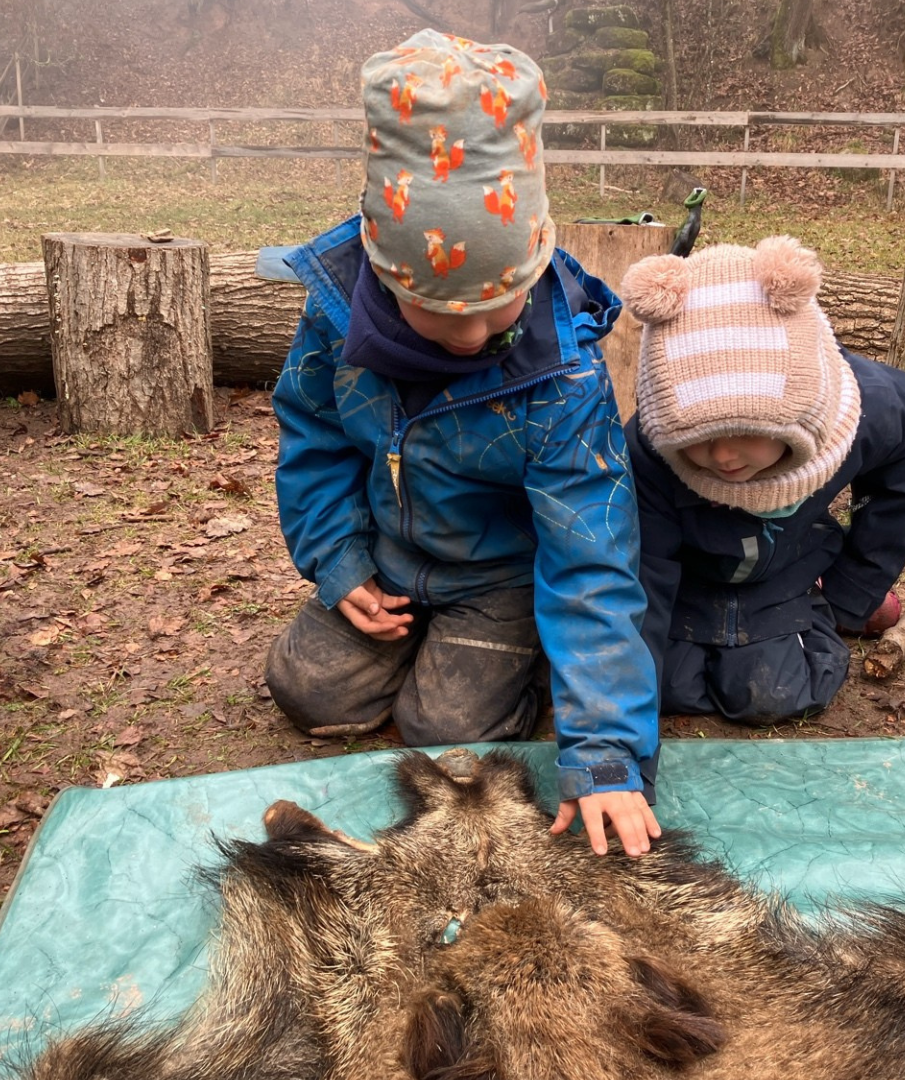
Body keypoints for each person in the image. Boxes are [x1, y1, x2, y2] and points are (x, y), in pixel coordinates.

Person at [263, 29, 661, 856]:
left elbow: (592, 558)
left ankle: (527, 671)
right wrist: (338, 562)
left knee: (446, 736)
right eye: (441, 314)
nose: (474, 336)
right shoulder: (333, 317)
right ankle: (422, 647)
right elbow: (316, 439)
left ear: (534, 260)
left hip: (498, 581)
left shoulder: (565, 381)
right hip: (390, 562)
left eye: (498, 304)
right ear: (383, 270)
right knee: (305, 688)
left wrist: (605, 753)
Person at [618, 235, 905, 725]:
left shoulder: (873, 411)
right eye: (701, 438)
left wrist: (852, 594)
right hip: (693, 571)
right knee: (667, 687)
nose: (724, 456)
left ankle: (821, 601)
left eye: (748, 432)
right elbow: (647, 569)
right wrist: (630, 704)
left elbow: (900, 490)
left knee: (774, 695)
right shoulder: (652, 447)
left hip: (791, 561)